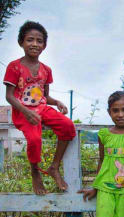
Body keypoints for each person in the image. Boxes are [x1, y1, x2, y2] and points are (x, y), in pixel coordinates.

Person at [3, 21, 75, 195]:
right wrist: (27, 112)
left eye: (39, 41)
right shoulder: (14, 66)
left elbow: (44, 96)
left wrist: (57, 102)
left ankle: (54, 167)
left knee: (68, 127)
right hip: (23, 111)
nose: (34, 44)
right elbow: (9, 96)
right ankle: (35, 171)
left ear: (44, 45)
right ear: (21, 42)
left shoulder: (46, 69)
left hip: (41, 109)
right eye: (30, 40)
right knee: (35, 140)